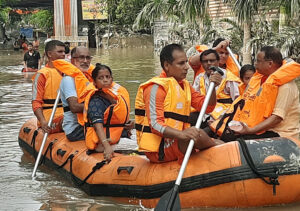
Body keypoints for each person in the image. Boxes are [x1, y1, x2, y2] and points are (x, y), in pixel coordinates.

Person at [135, 44, 223, 163]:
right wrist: (182, 134)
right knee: (198, 134)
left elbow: (207, 107)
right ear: (166, 65)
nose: (187, 67)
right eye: (181, 63)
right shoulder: (155, 88)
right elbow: (155, 125)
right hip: (160, 149)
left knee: (210, 139)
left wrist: (213, 88)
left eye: (186, 62)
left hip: (178, 141)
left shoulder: (184, 85)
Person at [210, 46, 300, 141]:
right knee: (226, 134)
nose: (255, 64)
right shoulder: (261, 80)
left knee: (237, 141)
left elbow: (276, 118)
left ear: (270, 63)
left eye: (258, 61)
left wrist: (249, 130)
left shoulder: (286, 86)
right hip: (262, 129)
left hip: (281, 134)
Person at [82, 64, 131, 160]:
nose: (105, 80)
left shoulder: (114, 98)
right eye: (101, 78)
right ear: (95, 82)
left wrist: (130, 125)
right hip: (104, 142)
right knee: (140, 146)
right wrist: (107, 147)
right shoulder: (95, 101)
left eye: (107, 77)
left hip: (118, 137)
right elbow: (97, 126)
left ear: (112, 79)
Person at [192, 49, 241, 124]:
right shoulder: (200, 78)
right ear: (201, 63)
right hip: (204, 113)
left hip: (223, 115)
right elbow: (195, 97)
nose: (208, 63)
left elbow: (239, 101)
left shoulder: (229, 78)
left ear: (218, 62)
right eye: (205, 61)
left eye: (212, 61)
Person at [57, 46, 94, 141]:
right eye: (81, 57)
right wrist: (100, 107)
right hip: (75, 129)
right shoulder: (68, 80)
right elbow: (74, 107)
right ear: (73, 60)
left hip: (89, 124)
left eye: (88, 58)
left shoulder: (91, 78)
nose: (85, 61)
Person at [32, 40, 66, 134]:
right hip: (50, 116)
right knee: (68, 122)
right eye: (60, 52)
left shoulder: (70, 72)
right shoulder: (42, 75)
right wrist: (42, 121)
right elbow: (36, 102)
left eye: (64, 51)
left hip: (67, 113)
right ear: (50, 54)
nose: (63, 54)